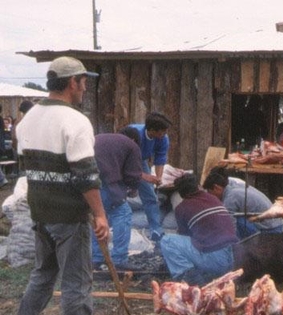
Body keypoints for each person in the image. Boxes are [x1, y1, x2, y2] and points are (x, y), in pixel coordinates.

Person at [15, 56, 108, 315]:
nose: (85, 88)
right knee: (76, 284)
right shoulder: (75, 120)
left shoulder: (28, 119)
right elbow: (86, 175)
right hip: (69, 216)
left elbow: (30, 168)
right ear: (72, 83)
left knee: (42, 276)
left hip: (40, 213)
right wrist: (99, 214)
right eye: (83, 82)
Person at [160, 173, 238, 286]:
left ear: (181, 194)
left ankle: (190, 280)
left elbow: (185, 236)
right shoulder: (213, 198)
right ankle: (207, 276)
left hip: (215, 260)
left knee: (167, 241)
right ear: (198, 186)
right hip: (232, 259)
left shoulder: (182, 208)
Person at [91, 127, 143, 271]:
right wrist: (132, 189)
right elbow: (133, 174)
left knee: (97, 216)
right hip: (106, 182)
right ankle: (119, 259)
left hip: (89, 182)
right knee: (122, 213)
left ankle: (96, 257)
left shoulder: (101, 137)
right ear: (134, 140)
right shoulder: (132, 146)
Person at [202, 166, 283, 239]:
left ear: (216, 188)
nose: (211, 196)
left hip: (270, 230)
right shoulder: (232, 184)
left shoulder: (231, 197)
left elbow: (230, 227)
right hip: (276, 223)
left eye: (210, 192)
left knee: (235, 221)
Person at [129, 112, 172, 241]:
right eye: (161, 132)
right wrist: (144, 177)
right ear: (151, 130)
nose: (164, 135)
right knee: (116, 196)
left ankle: (156, 229)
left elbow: (160, 158)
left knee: (150, 196)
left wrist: (158, 178)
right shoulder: (134, 134)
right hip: (121, 160)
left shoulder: (163, 139)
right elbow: (126, 164)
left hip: (141, 160)